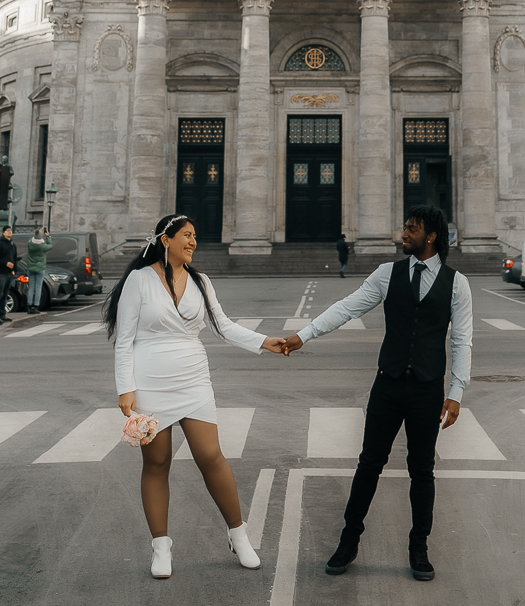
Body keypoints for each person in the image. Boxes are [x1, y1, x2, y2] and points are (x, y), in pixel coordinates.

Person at [283, 205, 473, 583]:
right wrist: (304, 335)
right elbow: (347, 308)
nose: (403, 234)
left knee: (423, 472)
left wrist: (456, 392)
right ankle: (348, 541)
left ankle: (419, 549)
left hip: (427, 390)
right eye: (404, 228)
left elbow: (462, 341)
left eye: (411, 229)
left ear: (431, 236)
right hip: (387, 385)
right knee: (369, 464)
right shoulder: (388, 274)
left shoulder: (457, 283)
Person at [105, 214, 288, 580]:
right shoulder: (138, 281)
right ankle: (161, 547)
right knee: (156, 465)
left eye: (194, 237)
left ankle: (238, 534)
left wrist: (264, 341)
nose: (193, 242)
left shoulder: (201, 281)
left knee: (211, 456)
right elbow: (124, 338)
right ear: (166, 240)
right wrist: (125, 387)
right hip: (150, 379)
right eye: (187, 236)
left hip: (193, 378)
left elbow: (223, 326)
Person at [0, 226, 18, 324]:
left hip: (9, 273)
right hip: (1, 273)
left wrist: (14, 269)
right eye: (7, 230)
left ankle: (3, 314)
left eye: (10, 230)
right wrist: (5, 263)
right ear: (3, 233)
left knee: (5, 295)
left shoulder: (12, 245)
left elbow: (15, 258)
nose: (9, 232)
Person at [24, 226, 53, 314]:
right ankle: (36, 306)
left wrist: (39, 232)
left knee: (31, 287)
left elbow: (34, 237)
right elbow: (50, 246)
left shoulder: (30, 243)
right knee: (38, 287)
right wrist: (47, 236)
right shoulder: (43, 246)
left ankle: (29, 305)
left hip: (30, 268)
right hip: (40, 268)